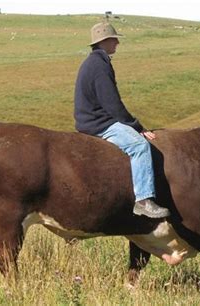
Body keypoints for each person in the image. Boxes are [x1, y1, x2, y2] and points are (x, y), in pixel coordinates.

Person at [74, 22, 170, 219]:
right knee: (140, 146)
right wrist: (137, 127)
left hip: (91, 119)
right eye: (114, 39)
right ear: (104, 41)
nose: (117, 43)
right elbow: (112, 103)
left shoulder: (94, 62)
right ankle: (143, 200)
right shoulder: (99, 66)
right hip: (98, 123)